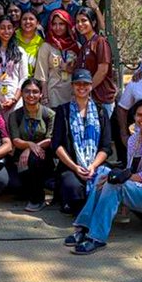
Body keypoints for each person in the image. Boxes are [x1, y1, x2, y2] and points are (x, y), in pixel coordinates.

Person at [66, 99, 142, 255]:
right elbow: (129, 169)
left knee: (114, 184)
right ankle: (83, 228)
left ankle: (97, 237)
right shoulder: (133, 140)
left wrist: (116, 177)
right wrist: (111, 176)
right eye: (139, 115)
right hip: (141, 190)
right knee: (101, 175)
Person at [51, 69, 112, 215]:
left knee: (105, 185)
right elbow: (57, 144)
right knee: (73, 189)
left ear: (91, 86)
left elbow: (106, 146)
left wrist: (92, 166)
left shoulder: (101, 111)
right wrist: (75, 167)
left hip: (95, 164)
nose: (82, 87)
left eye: (85, 84)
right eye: (78, 83)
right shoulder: (63, 111)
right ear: (72, 86)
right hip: (71, 165)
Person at [7, 77, 56, 211]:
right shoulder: (15, 116)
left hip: (43, 157)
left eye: (35, 92)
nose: (31, 95)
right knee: (13, 186)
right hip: (20, 158)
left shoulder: (50, 114)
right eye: (27, 91)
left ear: (41, 94)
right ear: (22, 93)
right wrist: (29, 145)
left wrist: (32, 148)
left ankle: (37, 199)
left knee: (35, 156)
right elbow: (15, 140)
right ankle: (28, 189)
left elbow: (50, 139)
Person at [75, 6, 116, 118]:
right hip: (89, 99)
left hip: (103, 99)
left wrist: (88, 89)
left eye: (84, 20)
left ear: (93, 22)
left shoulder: (100, 42)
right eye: (77, 21)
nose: (80, 24)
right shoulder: (84, 45)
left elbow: (102, 70)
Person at [34, 9, 79, 108]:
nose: (57, 27)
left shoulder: (76, 46)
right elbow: (42, 75)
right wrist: (45, 97)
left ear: (67, 24)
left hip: (73, 94)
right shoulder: (46, 46)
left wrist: (70, 69)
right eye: (54, 24)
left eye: (61, 24)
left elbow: (81, 70)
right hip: (53, 94)